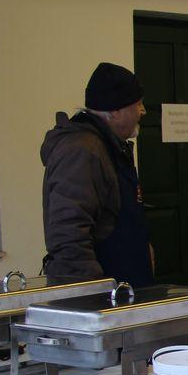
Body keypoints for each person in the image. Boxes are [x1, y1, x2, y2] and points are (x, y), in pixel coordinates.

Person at [40, 62, 152, 287]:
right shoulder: (82, 151)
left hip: (124, 289)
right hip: (104, 297)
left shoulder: (107, 145)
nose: (143, 111)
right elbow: (69, 232)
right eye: (138, 104)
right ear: (116, 111)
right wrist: (90, 295)